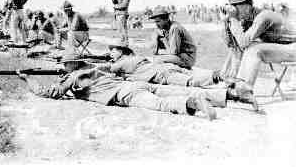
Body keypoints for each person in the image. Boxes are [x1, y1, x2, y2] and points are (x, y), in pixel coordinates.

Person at [17, 53, 218, 120]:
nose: (63, 66)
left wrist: (27, 79)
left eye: (64, 64)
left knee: (161, 104)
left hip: (123, 92)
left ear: (70, 65)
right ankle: (221, 96)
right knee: (177, 89)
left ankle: (193, 104)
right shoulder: (93, 67)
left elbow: (49, 93)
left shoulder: (72, 77)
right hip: (132, 84)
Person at [97, 42, 258, 110]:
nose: (111, 52)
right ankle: (229, 84)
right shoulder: (135, 57)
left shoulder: (121, 62)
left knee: (192, 82)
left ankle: (232, 82)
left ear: (121, 52)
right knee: (194, 78)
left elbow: (106, 68)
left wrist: (102, 60)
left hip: (163, 74)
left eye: (113, 50)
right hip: (167, 67)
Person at [220, 0, 296, 88]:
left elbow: (243, 42)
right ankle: (229, 81)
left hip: (293, 47)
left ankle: (244, 90)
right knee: (243, 48)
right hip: (285, 47)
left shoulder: (264, 16)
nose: (234, 11)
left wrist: (233, 19)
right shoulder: (248, 20)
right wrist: (226, 21)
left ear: (247, 6)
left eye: (235, 8)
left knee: (254, 49)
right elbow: (233, 45)